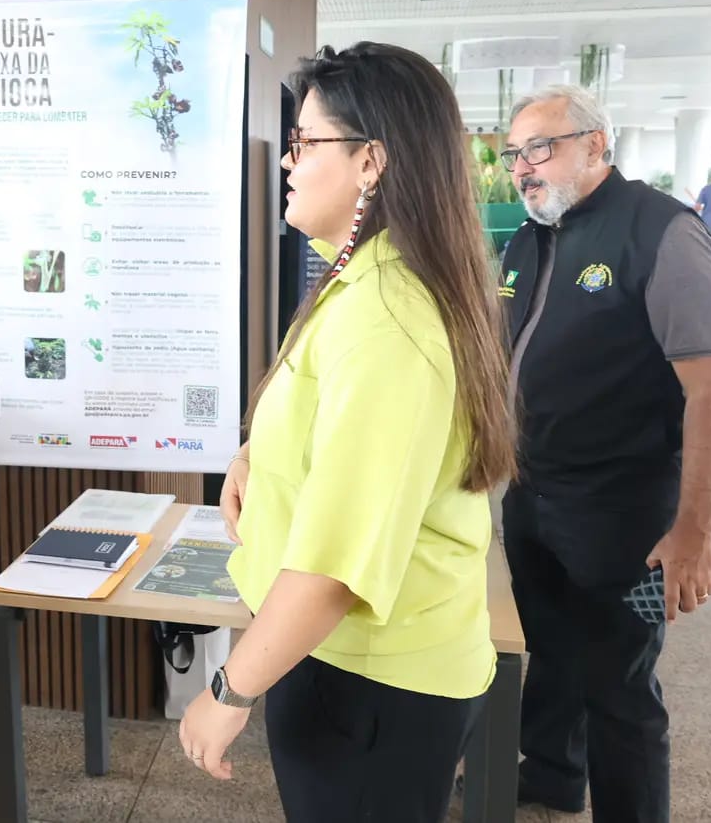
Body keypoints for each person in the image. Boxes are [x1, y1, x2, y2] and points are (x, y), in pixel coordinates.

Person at [178, 43, 515, 822]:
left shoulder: (391, 316)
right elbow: (328, 415)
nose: (290, 162)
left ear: (372, 161)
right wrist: (255, 452)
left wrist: (230, 689)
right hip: (342, 662)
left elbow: (336, 568)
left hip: (373, 682)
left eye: (306, 143)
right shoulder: (362, 275)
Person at [495, 85, 711, 821]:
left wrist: (695, 531)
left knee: (621, 681)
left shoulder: (662, 232)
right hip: (534, 494)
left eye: (542, 146)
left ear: (598, 144)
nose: (523, 166)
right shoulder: (530, 235)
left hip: (625, 512)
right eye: (513, 153)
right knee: (554, 650)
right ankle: (553, 775)